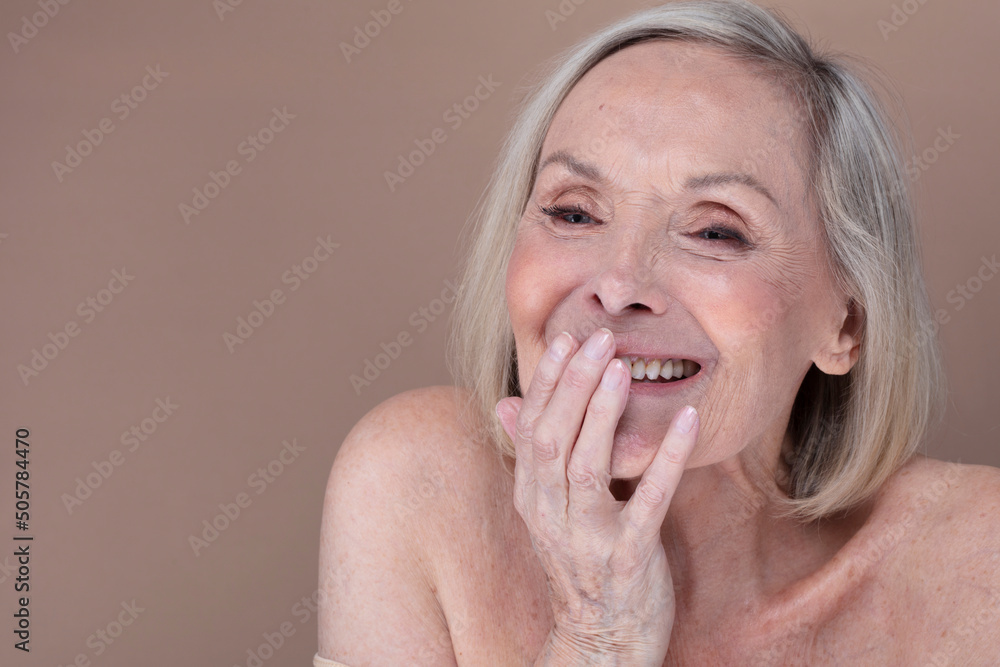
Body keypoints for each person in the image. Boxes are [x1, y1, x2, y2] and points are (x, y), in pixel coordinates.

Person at [316, 0, 1000, 663]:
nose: (619, 284)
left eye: (715, 230)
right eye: (574, 212)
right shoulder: (418, 483)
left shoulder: (978, 560)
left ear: (845, 324)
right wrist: (597, 640)